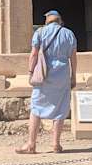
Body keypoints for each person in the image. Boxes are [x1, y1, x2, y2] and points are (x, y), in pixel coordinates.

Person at [16, 10, 78, 154]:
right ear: (60, 21)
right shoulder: (69, 34)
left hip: (43, 74)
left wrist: (30, 72)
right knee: (60, 107)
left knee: (36, 107)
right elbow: (73, 58)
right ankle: (56, 143)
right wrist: (73, 76)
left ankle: (31, 144)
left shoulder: (40, 33)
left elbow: (34, 54)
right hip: (62, 75)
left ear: (47, 21)